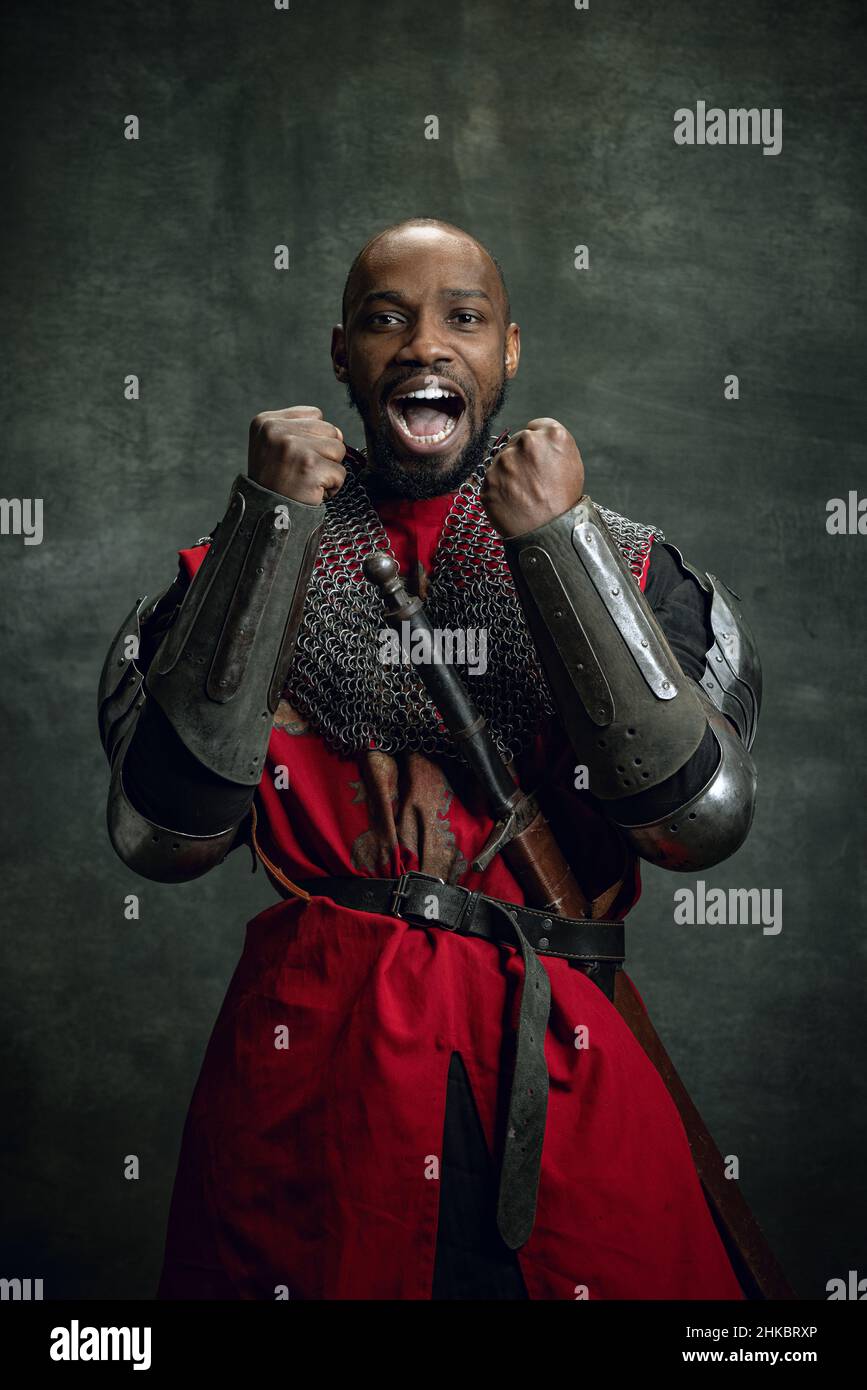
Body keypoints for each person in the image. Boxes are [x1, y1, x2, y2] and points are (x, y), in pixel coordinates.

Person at [97, 217, 763, 1300]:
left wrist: (559, 545)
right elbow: (165, 833)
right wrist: (270, 528)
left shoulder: (638, 567)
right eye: (384, 319)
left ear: (508, 352)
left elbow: (694, 823)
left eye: (463, 318)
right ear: (340, 354)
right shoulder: (227, 568)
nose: (423, 344)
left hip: (563, 1059)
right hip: (316, 1069)